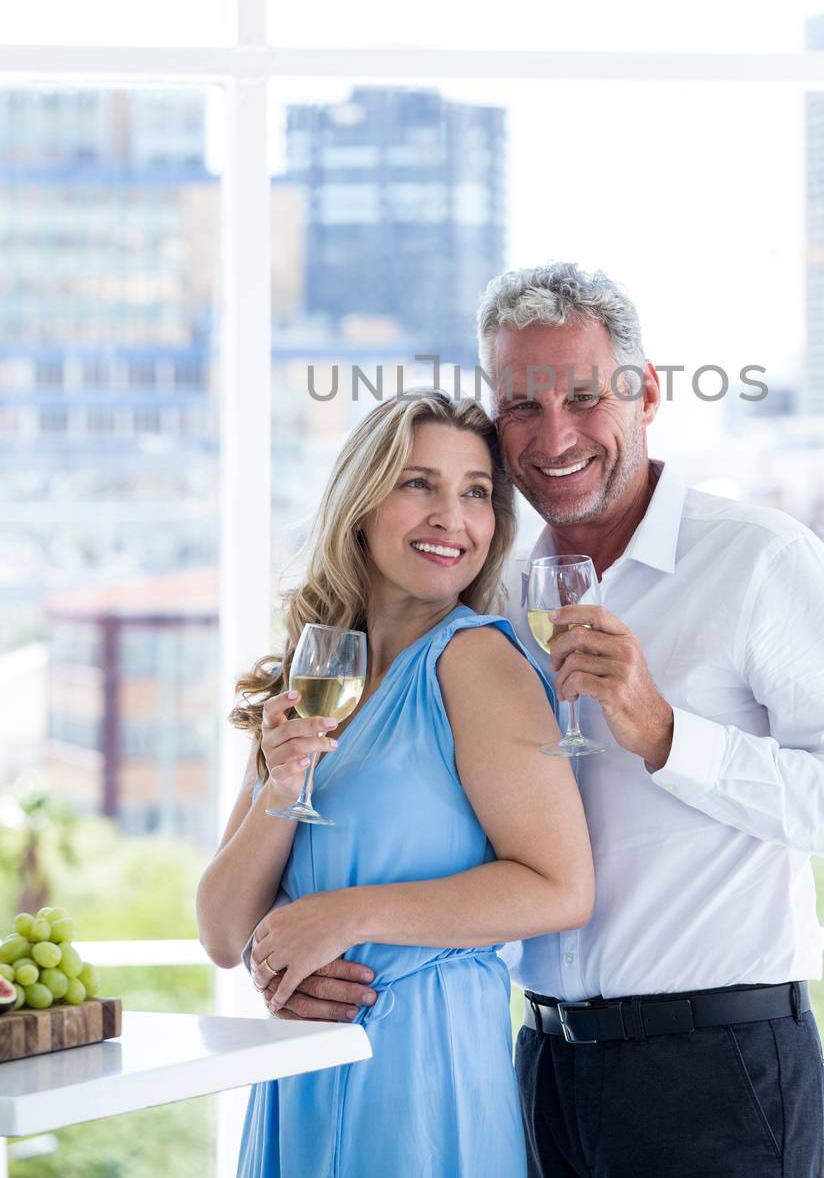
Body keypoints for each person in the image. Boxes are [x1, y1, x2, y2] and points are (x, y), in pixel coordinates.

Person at [252, 263, 824, 1178]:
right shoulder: (498, 590)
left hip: (712, 1063)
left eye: (584, 396)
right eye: (522, 405)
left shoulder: (758, 561)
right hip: (536, 1063)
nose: (554, 434)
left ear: (646, 393)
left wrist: (666, 735)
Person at [196, 389, 594, 1178]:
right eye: (419, 484)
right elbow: (219, 931)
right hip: (301, 1068)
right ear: (362, 502)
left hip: (424, 1073)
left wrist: (344, 917)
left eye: (475, 492)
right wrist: (283, 784)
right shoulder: (311, 675)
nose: (453, 517)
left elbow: (560, 888)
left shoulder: (475, 661)